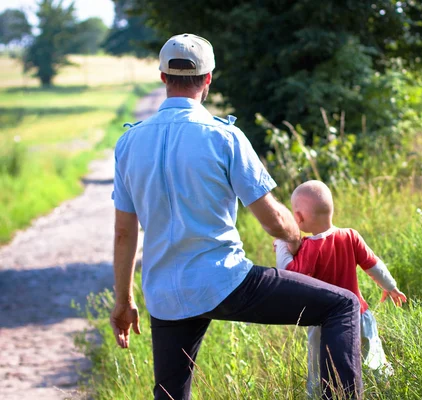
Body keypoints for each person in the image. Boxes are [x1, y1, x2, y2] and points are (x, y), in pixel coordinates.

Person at [109, 33, 363, 400]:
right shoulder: (224, 137)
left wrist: (124, 300)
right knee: (342, 304)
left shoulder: (128, 143)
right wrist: (296, 240)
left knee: (169, 395)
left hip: (164, 295)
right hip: (225, 283)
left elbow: (123, 233)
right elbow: (272, 218)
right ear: (209, 78)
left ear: (163, 77)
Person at [273, 180, 407, 396]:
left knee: (318, 367)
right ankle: (385, 390)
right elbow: (374, 265)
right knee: (373, 356)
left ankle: (317, 394)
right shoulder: (351, 235)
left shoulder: (309, 248)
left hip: (325, 322)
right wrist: (390, 286)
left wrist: (281, 244)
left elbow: (287, 273)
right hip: (360, 314)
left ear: (298, 218)